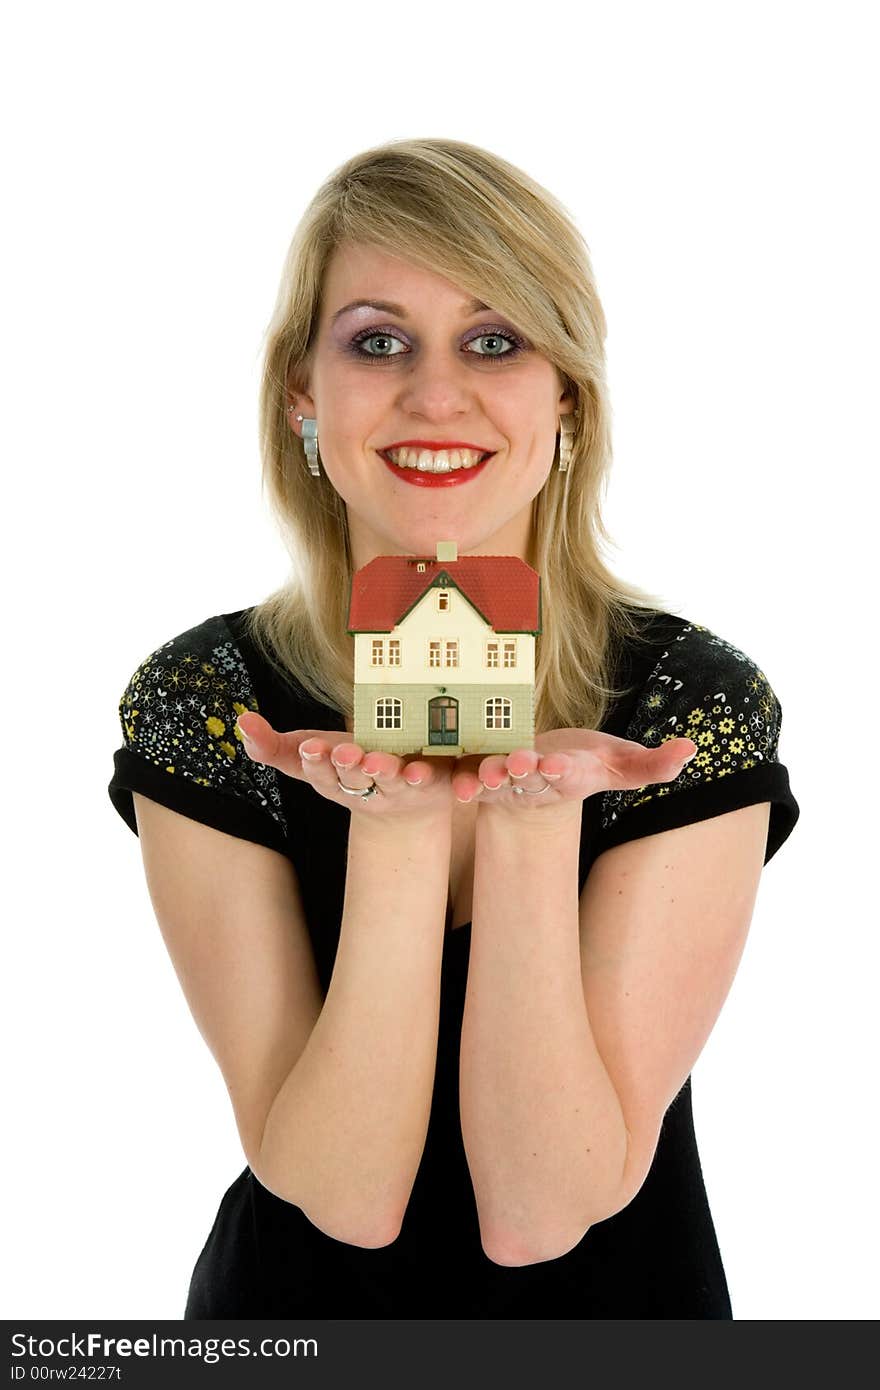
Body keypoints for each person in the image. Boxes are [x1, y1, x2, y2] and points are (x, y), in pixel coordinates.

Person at [108, 137, 800, 1318]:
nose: (437, 396)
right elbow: (343, 1193)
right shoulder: (207, 694)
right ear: (301, 396)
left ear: (565, 394)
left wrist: (532, 827)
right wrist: (398, 833)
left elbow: (540, 1210)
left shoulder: (688, 698)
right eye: (378, 342)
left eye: (495, 341)